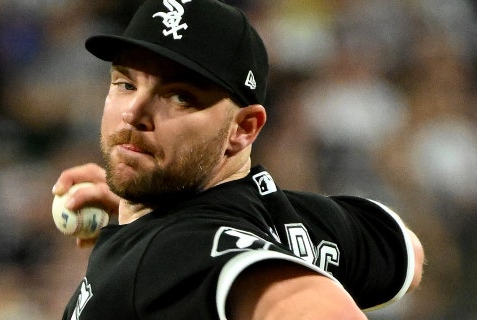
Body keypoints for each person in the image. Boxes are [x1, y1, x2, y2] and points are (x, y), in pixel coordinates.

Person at [51, 0, 424, 319]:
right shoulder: (283, 215)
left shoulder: (173, 251)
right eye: (126, 83)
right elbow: (408, 251)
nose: (133, 112)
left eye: (179, 96)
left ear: (244, 128)